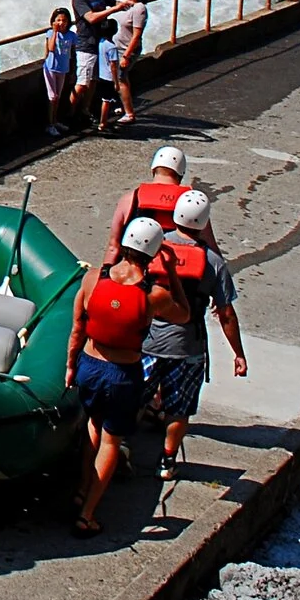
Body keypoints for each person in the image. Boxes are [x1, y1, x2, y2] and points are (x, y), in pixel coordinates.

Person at [67, 218, 188, 537]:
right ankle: (87, 514)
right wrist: (173, 273)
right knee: (111, 439)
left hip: (89, 365)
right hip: (122, 373)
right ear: (154, 252)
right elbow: (184, 315)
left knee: (92, 427)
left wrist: (70, 366)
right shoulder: (155, 295)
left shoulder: (92, 278)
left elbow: (78, 327)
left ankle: (81, 489)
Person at [147, 190, 245, 482]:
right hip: (187, 347)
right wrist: (238, 354)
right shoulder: (213, 262)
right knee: (179, 410)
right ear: (203, 223)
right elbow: (226, 314)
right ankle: (166, 461)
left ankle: (122, 447)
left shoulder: (154, 245)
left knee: (134, 398)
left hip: (147, 341)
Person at [70, 0, 118, 129]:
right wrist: (112, 10)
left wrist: (129, 3)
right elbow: (90, 18)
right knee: (82, 82)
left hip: (100, 43)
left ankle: (85, 111)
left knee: (94, 81)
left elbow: (113, 2)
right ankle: (69, 114)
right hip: (85, 43)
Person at [99, 0, 149, 132]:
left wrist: (127, 56)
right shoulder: (128, 5)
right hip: (119, 48)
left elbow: (136, 35)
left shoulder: (139, 9)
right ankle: (125, 106)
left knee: (121, 80)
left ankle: (130, 113)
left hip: (127, 50)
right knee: (123, 78)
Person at [41, 8, 75, 135]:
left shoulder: (71, 35)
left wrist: (73, 71)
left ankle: (55, 120)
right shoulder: (50, 33)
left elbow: (72, 53)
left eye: (64, 20)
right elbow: (50, 49)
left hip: (63, 68)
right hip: (50, 68)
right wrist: (55, 32)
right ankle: (50, 124)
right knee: (53, 97)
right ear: (53, 22)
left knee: (58, 97)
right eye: (58, 20)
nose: (61, 23)